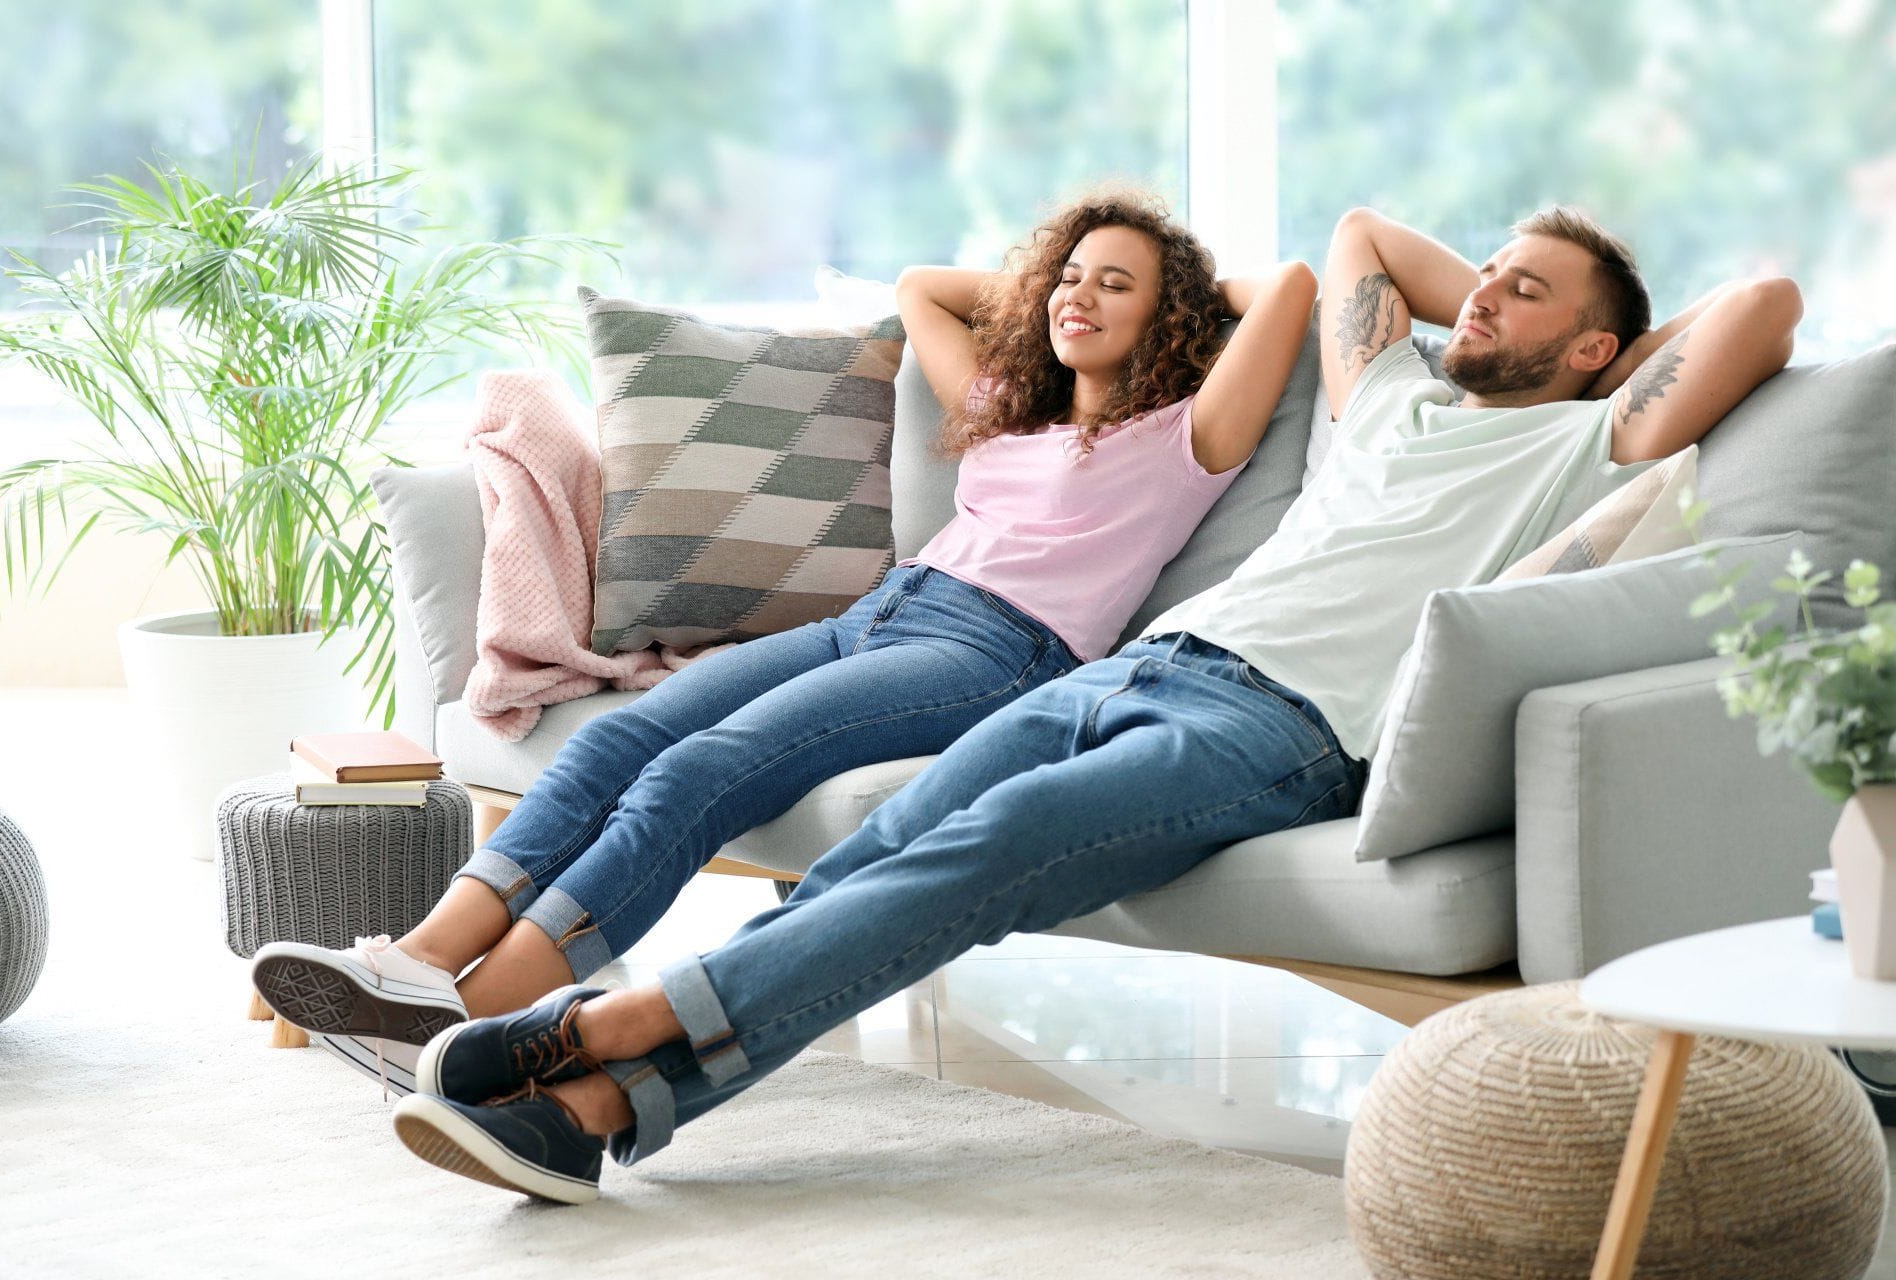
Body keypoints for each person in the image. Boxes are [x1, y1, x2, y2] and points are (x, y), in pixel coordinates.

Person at [382, 203, 1802, 1204]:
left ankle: (626, 1028)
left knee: (985, 853)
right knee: (890, 848)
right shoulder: (1392, 399)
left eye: (1525, 290)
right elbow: (1363, 232)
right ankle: (586, 1119)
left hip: (1275, 731)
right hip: (1143, 661)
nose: (1481, 293)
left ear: (1604, 354)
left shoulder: (1590, 442)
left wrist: (1605, 336)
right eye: (1483, 271)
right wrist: (1516, 299)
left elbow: (1764, 309)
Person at [250, 190, 1320, 1094]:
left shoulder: (1184, 439)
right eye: (1070, 274)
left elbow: (1291, 291)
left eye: (1114, 284)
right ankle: (422, 962)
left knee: (702, 771)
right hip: (884, 612)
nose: (1077, 293)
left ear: (1168, 318)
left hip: (1000, 652)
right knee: (623, 737)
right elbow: (920, 287)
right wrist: (1067, 291)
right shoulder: (1009, 411)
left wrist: (1186, 288)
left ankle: (476, 1016)